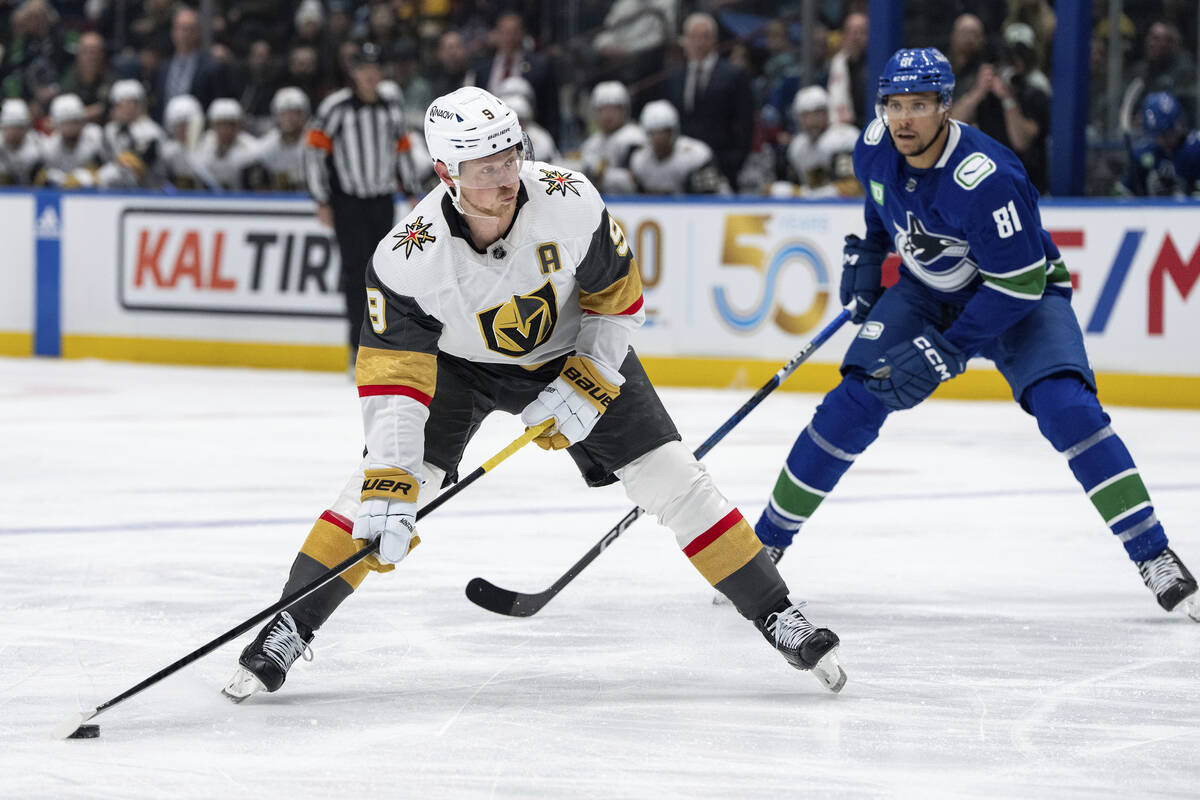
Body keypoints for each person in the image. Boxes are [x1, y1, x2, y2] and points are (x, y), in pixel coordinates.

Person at [222, 86, 845, 702]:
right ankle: (288, 626)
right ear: (446, 172)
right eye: (486, 168)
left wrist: (590, 377)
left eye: (510, 158)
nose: (506, 178)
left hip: (573, 350)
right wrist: (390, 477)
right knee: (375, 504)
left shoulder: (570, 200)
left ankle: (776, 612)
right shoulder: (408, 258)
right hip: (457, 369)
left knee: (676, 479)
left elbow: (619, 302)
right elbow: (393, 381)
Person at [752, 48, 1199, 623]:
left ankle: (1153, 551)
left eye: (918, 105)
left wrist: (948, 351)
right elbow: (881, 202)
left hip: (1020, 299)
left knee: (1068, 409)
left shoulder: (987, 178)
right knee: (852, 403)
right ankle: (763, 547)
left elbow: (1017, 285)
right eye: (894, 105)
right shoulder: (872, 145)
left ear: (945, 107)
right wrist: (869, 251)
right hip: (926, 291)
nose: (904, 119)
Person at [304, 41, 412, 363]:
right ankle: (357, 346)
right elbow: (313, 153)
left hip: (381, 201)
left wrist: (409, 190)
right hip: (348, 202)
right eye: (363, 68)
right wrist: (321, 199)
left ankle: (381, 342)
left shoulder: (392, 106)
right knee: (355, 273)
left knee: (384, 273)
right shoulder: (336, 107)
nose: (369, 75)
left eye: (375, 68)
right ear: (353, 71)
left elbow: (402, 150)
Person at [663, 12, 753, 188]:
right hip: (682, 166)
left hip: (722, 163)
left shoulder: (733, 76)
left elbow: (746, 122)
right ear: (685, 41)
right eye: (693, 37)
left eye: (705, 37)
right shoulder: (675, 77)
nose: (699, 43)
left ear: (714, 40)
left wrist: (736, 160)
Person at [629, 99, 729, 195]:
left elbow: (708, 195)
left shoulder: (696, 155)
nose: (658, 138)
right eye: (653, 133)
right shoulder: (639, 160)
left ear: (674, 131)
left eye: (664, 131)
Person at [784, 85, 860, 197]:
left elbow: (852, 187)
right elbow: (811, 185)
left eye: (817, 113)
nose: (812, 121)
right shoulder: (798, 147)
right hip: (818, 209)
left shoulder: (843, 138)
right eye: (806, 115)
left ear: (827, 113)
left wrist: (809, 194)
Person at [1121, 92, 1200, 197]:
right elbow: (1121, 193)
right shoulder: (1143, 153)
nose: (1164, 139)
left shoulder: (1195, 149)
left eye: (1169, 133)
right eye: (1159, 135)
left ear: (1180, 124)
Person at [579, 81, 647, 195]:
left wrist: (598, 173)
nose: (607, 115)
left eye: (613, 108)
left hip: (631, 204)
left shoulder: (634, 137)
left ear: (625, 109)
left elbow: (632, 181)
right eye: (602, 109)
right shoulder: (590, 144)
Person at [98, 79, 167, 189]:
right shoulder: (109, 130)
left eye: (131, 104)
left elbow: (136, 165)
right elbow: (101, 160)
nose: (126, 109)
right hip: (121, 191)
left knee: (109, 174)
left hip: (152, 191)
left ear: (140, 106)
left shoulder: (151, 131)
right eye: (121, 104)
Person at [245, 86, 310, 192]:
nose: (289, 118)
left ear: (304, 115)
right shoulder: (268, 144)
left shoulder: (314, 141)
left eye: (294, 113)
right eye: (284, 113)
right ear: (276, 115)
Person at [37, 93, 105, 188]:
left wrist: (84, 177)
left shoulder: (94, 137)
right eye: (65, 123)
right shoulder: (49, 147)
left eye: (74, 121)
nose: (70, 127)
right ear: (56, 124)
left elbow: (102, 172)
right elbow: (46, 176)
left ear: (82, 121)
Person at [194, 98, 259, 191]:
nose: (225, 130)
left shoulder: (251, 147)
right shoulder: (203, 145)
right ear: (213, 126)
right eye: (220, 125)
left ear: (239, 126)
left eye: (230, 125)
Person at [0, 99, 44, 186]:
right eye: (10, 127)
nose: (14, 132)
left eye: (19, 127)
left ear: (26, 128)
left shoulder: (38, 146)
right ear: (3, 127)